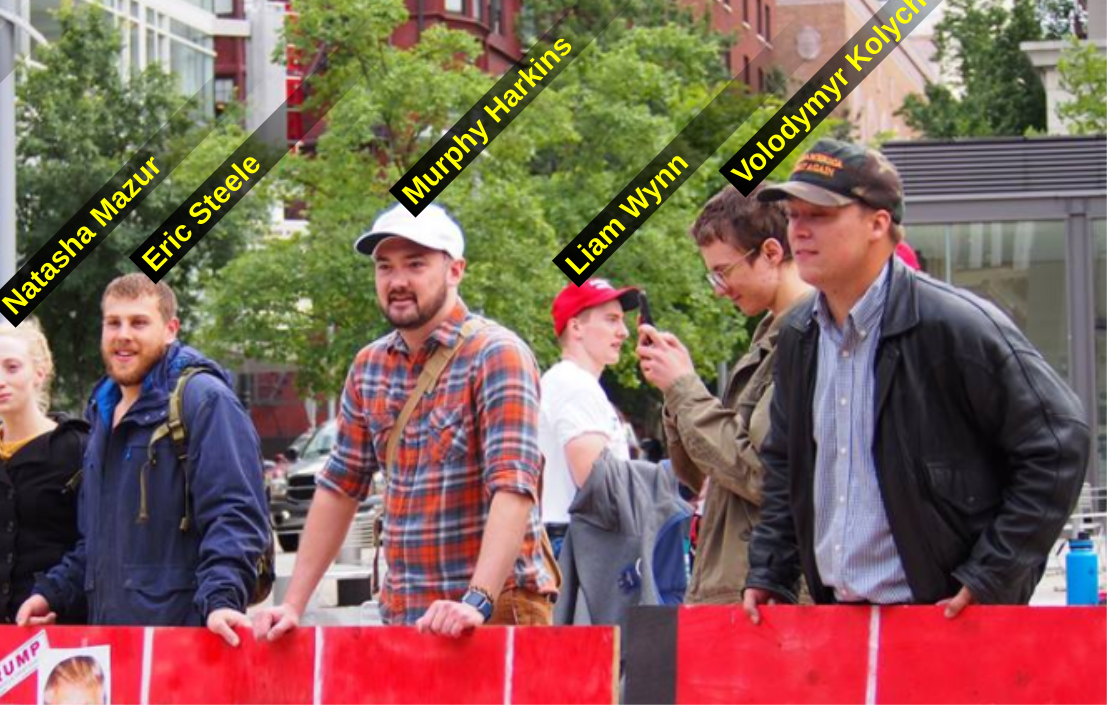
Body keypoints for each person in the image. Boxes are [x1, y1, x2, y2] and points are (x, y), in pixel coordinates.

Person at [741, 140, 1090, 621]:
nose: (798, 230)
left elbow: (1060, 443)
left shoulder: (956, 325)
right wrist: (770, 571)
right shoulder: (800, 335)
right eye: (793, 214)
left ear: (878, 223)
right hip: (841, 621)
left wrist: (990, 575)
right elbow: (785, 462)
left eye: (819, 214)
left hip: (943, 624)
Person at [253, 204, 558, 639]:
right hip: (406, 615)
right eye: (384, 267)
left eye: (415, 264)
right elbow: (339, 488)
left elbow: (514, 487)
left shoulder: (497, 355)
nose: (397, 281)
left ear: (455, 270)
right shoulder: (369, 366)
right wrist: (293, 605)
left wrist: (477, 600)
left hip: (492, 613)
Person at [17, 276, 269, 647]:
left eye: (139, 322)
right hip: (114, 646)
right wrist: (53, 592)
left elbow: (236, 515)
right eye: (113, 322)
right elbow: (98, 542)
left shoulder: (205, 401)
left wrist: (222, 600)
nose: (123, 335)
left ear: (170, 330)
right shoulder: (102, 410)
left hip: (185, 645)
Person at [636, 186, 814, 605]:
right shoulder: (772, 335)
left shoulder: (806, 337)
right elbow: (700, 475)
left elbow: (762, 475)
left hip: (765, 597)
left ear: (771, 252)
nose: (719, 288)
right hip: (739, 589)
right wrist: (676, 389)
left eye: (724, 271)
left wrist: (684, 389)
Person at [541, 280, 693, 624]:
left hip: (573, 541)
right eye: (611, 320)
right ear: (576, 327)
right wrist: (675, 477)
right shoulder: (573, 385)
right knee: (599, 664)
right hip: (579, 547)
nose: (623, 332)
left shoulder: (573, 383)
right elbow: (597, 480)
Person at [0, 321, 88, 625]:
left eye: (12, 367)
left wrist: (60, 600)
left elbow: (94, 548)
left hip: (57, 628)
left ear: (39, 373)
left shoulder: (77, 447)